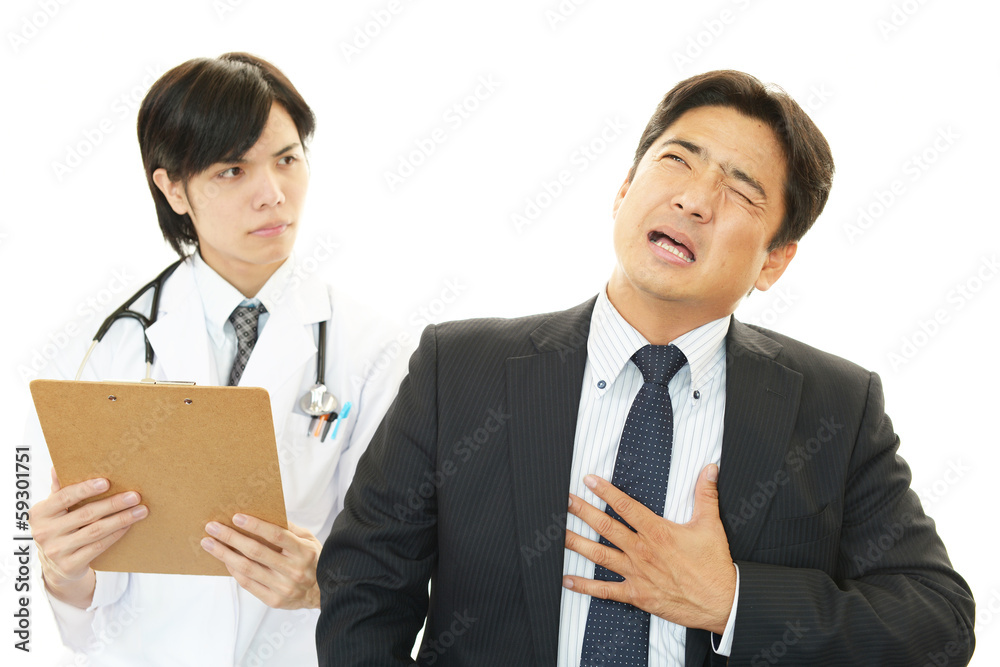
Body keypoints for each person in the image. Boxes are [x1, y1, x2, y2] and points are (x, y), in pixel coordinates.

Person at [316, 70, 976, 666]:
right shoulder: (460, 369)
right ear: (624, 189)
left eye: (740, 190)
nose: (693, 200)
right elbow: (365, 588)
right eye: (676, 161)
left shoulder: (837, 407)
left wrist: (731, 600)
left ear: (775, 260)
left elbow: (939, 621)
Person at [27, 52, 410, 665]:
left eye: (287, 160)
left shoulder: (375, 349)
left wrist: (325, 583)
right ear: (173, 188)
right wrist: (60, 569)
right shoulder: (104, 351)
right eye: (232, 170)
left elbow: (399, 560)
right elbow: (72, 600)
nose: (273, 195)